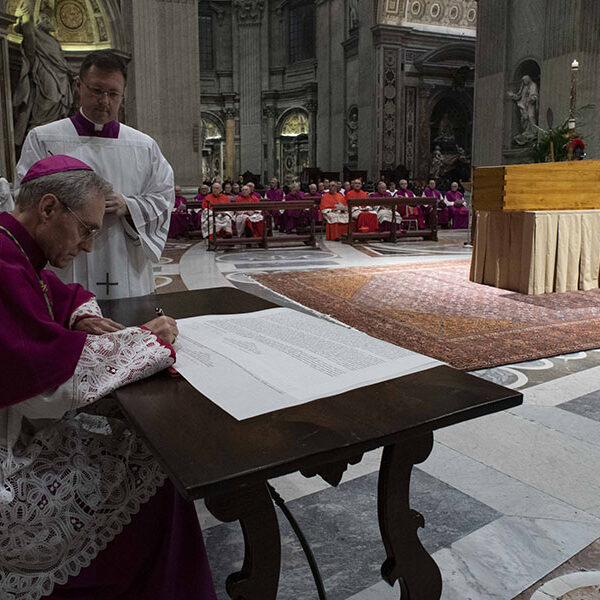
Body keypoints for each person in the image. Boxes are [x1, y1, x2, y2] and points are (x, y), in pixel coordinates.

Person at [0, 155, 216, 599]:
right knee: (156, 470)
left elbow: (57, 296)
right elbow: (44, 385)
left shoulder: (15, 247)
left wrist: (79, 317)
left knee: (142, 451)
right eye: (87, 228)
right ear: (48, 208)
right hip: (9, 455)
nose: (88, 246)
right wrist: (145, 341)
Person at [16, 50, 174, 300]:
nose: (105, 101)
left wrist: (129, 206)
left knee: (131, 333)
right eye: (97, 91)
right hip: (67, 266)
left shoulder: (143, 146)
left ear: (123, 93)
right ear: (79, 85)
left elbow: (164, 198)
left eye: (113, 94)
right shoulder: (44, 138)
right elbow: (24, 201)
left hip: (124, 262)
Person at [12, 0, 73, 148]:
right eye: (44, 18)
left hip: (60, 78)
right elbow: (28, 37)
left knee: (56, 107)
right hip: (45, 74)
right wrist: (26, 14)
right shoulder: (36, 33)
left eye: (50, 19)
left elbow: (61, 63)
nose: (48, 21)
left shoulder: (54, 41)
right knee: (49, 100)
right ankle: (36, 129)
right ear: (39, 20)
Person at [508, 74, 539, 145]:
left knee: (531, 118)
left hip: (530, 105)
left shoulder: (533, 85)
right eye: (523, 81)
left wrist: (531, 98)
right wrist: (512, 95)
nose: (524, 82)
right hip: (523, 107)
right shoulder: (524, 87)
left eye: (525, 80)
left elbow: (535, 95)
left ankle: (534, 132)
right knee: (524, 120)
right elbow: (519, 96)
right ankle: (527, 132)